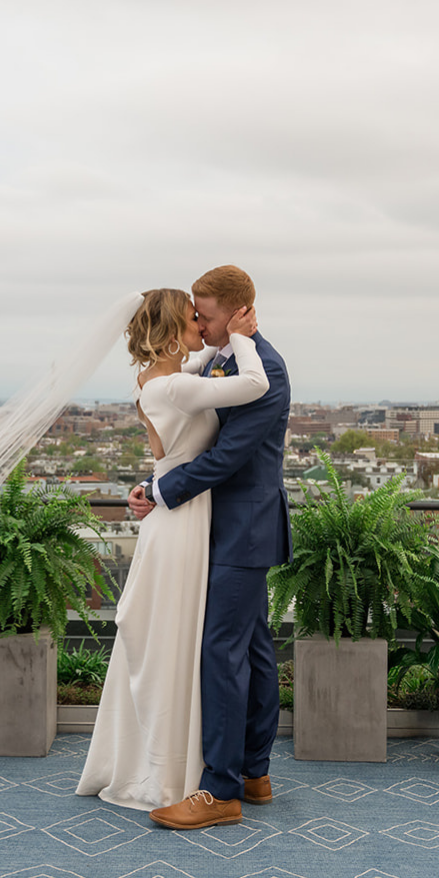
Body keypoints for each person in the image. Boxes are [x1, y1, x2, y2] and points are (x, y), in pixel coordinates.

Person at [76, 288, 267, 810]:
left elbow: (208, 362)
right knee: (175, 640)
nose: (201, 328)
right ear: (169, 331)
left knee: (178, 637)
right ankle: (166, 770)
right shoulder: (177, 387)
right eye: (191, 320)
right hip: (182, 520)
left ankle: (175, 760)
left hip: (176, 510)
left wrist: (228, 336)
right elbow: (253, 383)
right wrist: (243, 338)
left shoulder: (157, 380)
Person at [135, 265, 291, 831]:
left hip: (241, 528)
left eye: (204, 313)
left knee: (221, 651)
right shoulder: (227, 357)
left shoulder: (263, 365)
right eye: (193, 314)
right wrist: (156, 482)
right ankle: (254, 771)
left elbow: (228, 459)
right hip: (225, 525)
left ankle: (220, 790)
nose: (197, 321)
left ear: (236, 311)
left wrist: (162, 491)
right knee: (251, 648)